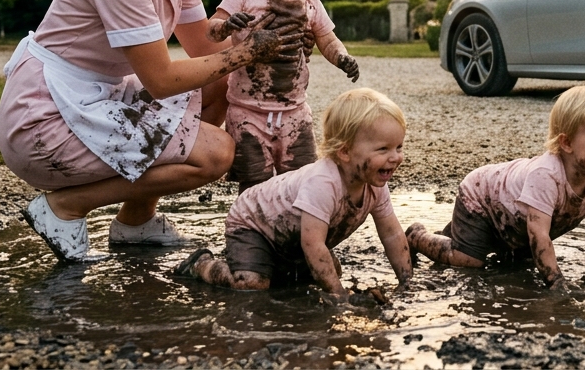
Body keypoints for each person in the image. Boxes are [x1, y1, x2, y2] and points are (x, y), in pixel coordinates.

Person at [0, 0, 303, 262]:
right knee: (215, 154)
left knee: (219, 85)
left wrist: (277, 35)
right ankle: (64, 207)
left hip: (95, 96)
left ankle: (135, 221)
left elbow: (204, 46)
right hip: (44, 120)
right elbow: (161, 81)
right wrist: (246, 54)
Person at [405, 85, 585, 289]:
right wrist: (555, 280)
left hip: (511, 219)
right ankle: (417, 236)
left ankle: (458, 235)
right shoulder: (546, 175)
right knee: (468, 261)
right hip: (481, 198)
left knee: (520, 263)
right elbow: (539, 233)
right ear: (567, 143)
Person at [173, 88, 413, 300]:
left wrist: (406, 284)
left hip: (292, 237)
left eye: (399, 147)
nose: (395, 157)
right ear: (345, 152)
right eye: (383, 149)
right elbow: (313, 244)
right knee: (251, 284)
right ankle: (201, 264)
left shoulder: (375, 187)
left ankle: (278, 267)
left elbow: (392, 234)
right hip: (253, 224)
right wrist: (339, 296)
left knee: (328, 272)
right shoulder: (323, 183)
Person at [205, 0, 360, 194]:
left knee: (301, 179)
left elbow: (327, 39)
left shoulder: (310, 1)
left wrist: (342, 58)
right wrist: (226, 26)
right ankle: (252, 220)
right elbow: (211, 30)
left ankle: (295, 221)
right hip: (248, 112)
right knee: (254, 182)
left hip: (294, 111)